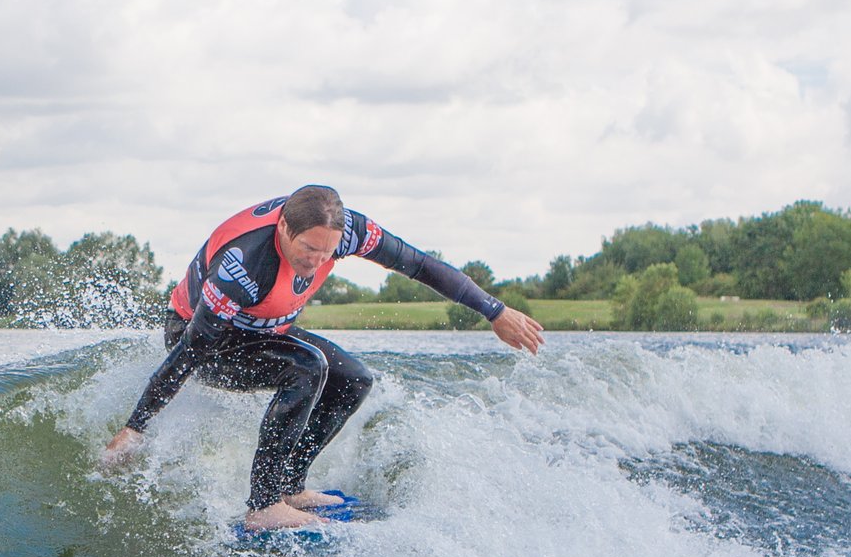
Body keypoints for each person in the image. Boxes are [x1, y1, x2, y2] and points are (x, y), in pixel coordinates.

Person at [102, 185, 544, 530]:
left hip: (264, 327)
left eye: (327, 252)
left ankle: (290, 488)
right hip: (202, 336)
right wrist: (136, 427)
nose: (316, 261)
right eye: (308, 250)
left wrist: (496, 310)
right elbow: (191, 350)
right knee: (306, 366)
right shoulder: (243, 264)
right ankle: (263, 505)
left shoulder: (347, 228)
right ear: (282, 230)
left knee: (354, 378)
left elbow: (420, 264)